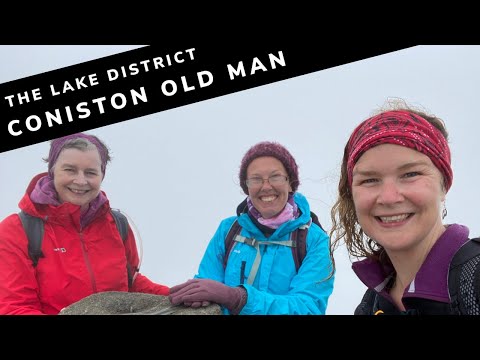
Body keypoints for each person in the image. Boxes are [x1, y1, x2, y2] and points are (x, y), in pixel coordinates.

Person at [329, 99, 479, 315]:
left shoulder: (474, 281)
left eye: (410, 174)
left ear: (444, 184)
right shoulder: (372, 303)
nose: (389, 198)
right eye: (369, 180)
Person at [0, 132, 169, 315]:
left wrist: (175, 295)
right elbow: (15, 307)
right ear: (52, 170)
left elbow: (131, 284)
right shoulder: (17, 230)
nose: (81, 181)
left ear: (102, 175)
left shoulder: (118, 224)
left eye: (90, 172)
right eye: (70, 170)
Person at [168, 141, 334, 315]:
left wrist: (238, 298)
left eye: (275, 177)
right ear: (246, 187)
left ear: (290, 183)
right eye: (256, 179)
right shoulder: (228, 230)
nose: (266, 186)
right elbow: (207, 286)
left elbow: (308, 307)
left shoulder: (315, 240)